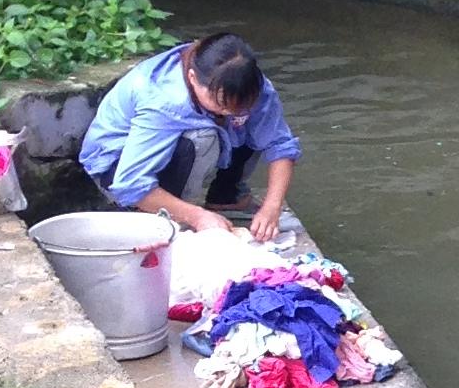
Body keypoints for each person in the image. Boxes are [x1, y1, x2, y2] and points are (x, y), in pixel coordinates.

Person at [78, 34, 300, 242]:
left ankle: (224, 198)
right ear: (193, 79)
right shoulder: (165, 100)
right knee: (204, 137)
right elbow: (129, 184)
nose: (229, 111)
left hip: (154, 161)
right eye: (220, 102)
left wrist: (272, 206)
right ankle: (172, 215)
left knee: (247, 120)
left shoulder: (255, 89)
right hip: (116, 169)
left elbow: (279, 144)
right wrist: (196, 216)